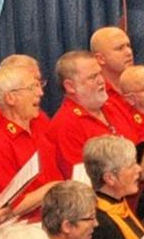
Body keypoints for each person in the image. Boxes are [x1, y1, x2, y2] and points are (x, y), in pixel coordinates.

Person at [0, 63, 63, 221]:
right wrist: (52, 188)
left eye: (39, 85)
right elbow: (6, 207)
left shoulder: (38, 122)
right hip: (28, 227)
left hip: (59, 213)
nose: (40, 93)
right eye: (32, 88)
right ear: (10, 98)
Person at [45, 50, 133, 178]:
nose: (101, 81)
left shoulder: (113, 106)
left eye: (100, 74)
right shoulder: (65, 127)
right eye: (93, 77)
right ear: (70, 86)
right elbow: (81, 181)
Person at [77, 135, 144, 239]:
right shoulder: (98, 225)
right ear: (110, 178)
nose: (139, 169)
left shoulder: (118, 205)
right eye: (131, 165)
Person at [89, 25, 139, 133]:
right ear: (100, 59)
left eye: (128, 46)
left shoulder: (140, 85)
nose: (129, 52)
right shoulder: (95, 98)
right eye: (119, 48)